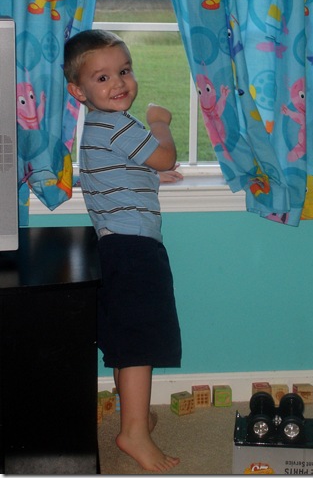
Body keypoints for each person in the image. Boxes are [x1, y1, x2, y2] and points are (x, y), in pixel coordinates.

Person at [64, 29, 182, 472]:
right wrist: (159, 122)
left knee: (127, 337)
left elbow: (117, 171)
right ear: (78, 91)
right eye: (103, 77)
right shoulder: (119, 125)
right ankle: (133, 432)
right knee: (139, 344)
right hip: (135, 249)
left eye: (125, 71)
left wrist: (149, 174)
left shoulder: (99, 127)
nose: (119, 83)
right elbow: (165, 155)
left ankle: (134, 416)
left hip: (116, 246)